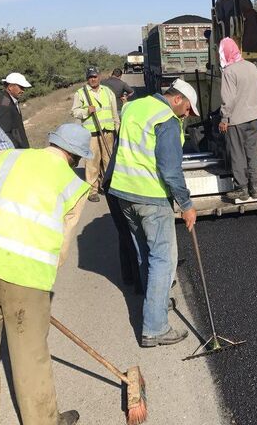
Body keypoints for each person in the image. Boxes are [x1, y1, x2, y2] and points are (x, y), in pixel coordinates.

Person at [0, 123, 92, 425]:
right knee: (30, 358)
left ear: (50, 142)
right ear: (76, 157)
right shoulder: (74, 186)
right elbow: (60, 250)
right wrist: (40, 285)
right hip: (27, 278)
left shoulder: (5, 158)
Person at [108, 78, 198, 347]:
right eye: (188, 109)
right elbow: (170, 170)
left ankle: (156, 304)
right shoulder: (167, 120)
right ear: (178, 99)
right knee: (163, 260)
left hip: (123, 193)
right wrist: (186, 205)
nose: (187, 115)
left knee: (145, 253)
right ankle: (155, 328)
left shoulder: (134, 106)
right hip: (151, 197)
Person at [218, 37, 257, 202]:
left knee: (238, 154)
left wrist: (224, 118)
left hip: (237, 120)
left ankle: (242, 189)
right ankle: (255, 187)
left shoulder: (229, 72)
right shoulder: (251, 66)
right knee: (252, 152)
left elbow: (228, 99)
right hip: (254, 118)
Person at [71, 66, 119, 202]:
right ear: (87, 79)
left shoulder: (108, 92)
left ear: (99, 77)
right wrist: (86, 111)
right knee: (92, 162)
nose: (93, 79)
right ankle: (92, 190)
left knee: (108, 161)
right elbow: (74, 111)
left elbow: (114, 113)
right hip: (91, 134)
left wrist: (118, 129)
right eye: (90, 77)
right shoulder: (81, 93)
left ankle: (107, 185)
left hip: (108, 132)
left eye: (95, 76)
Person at [0, 72, 32, 148]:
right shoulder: (5, 102)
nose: (23, 90)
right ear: (10, 87)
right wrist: (18, 149)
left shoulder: (8, 99)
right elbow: (4, 130)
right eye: (21, 87)